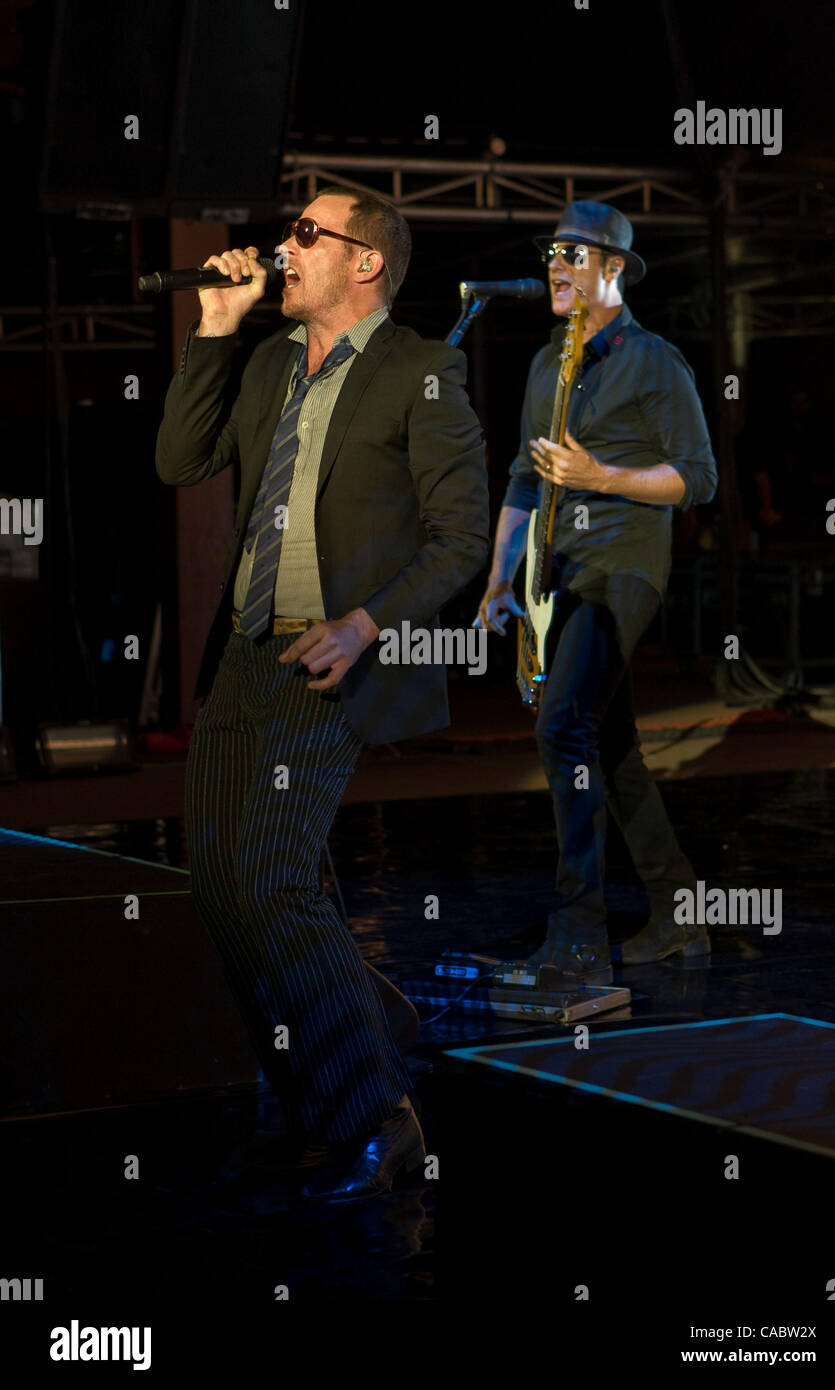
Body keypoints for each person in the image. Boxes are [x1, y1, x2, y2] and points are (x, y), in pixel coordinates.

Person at [156, 187, 488, 1200]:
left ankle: (378, 1116)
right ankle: (357, 1036)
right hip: (249, 652)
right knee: (218, 881)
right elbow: (178, 458)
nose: (281, 247)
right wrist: (212, 329)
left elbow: (460, 538)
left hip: (334, 651)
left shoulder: (421, 373)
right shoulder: (262, 363)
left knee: (272, 877)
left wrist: (366, 621)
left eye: (306, 233)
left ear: (366, 263)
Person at [476, 201, 717, 975]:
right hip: (560, 574)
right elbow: (521, 478)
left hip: (624, 569)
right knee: (610, 749)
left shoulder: (655, 360)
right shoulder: (548, 363)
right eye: (552, 253)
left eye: (573, 255)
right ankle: (681, 915)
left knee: (561, 729)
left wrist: (600, 476)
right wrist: (497, 579)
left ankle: (578, 929)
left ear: (612, 269)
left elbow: (699, 479)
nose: (554, 266)